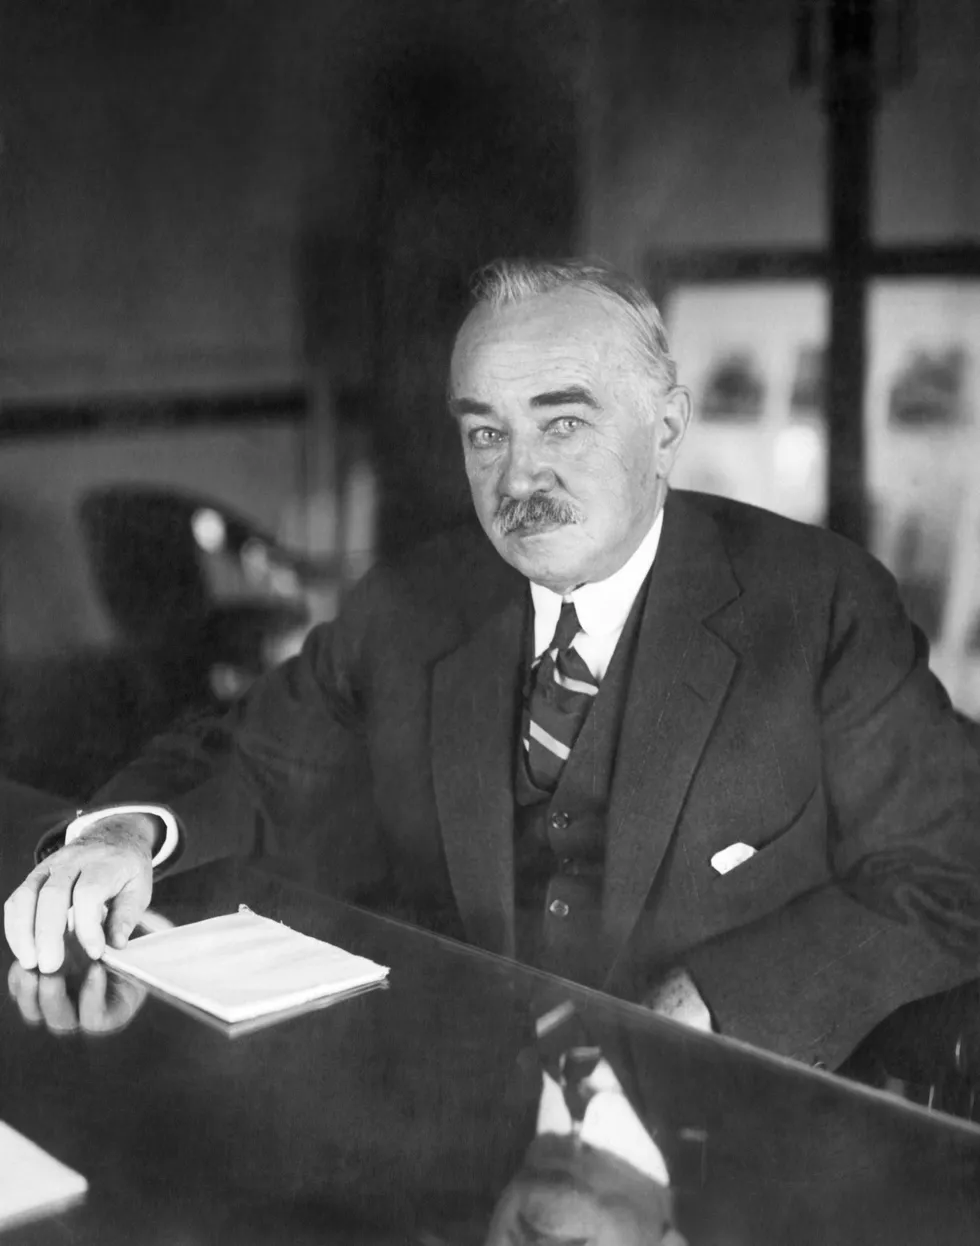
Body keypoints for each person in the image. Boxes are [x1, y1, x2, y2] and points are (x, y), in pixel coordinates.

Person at [5, 258, 980, 1069]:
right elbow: (257, 752)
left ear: (667, 426)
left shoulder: (817, 602)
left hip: (731, 1143)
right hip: (458, 1117)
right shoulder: (414, 603)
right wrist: (123, 834)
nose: (517, 476)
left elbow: (945, 875)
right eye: (485, 432)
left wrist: (710, 1005)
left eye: (562, 422)